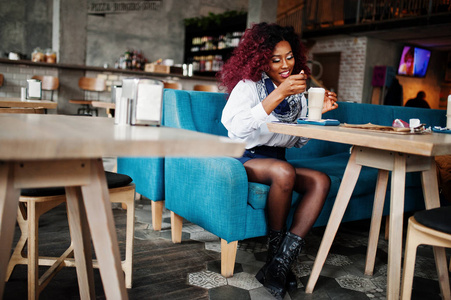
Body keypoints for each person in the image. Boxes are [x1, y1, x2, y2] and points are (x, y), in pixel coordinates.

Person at [219, 23, 338, 300]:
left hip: (276, 161)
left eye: (289, 57)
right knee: (284, 172)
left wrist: (318, 116)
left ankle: (279, 263)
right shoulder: (248, 87)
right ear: (261, 60)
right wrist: (277, 95)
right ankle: (274, 256)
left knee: (321, 181)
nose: (285, 65)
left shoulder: (297, 92)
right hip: (246, 157)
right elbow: (235, 129)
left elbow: (297, 140)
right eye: (276, 59)